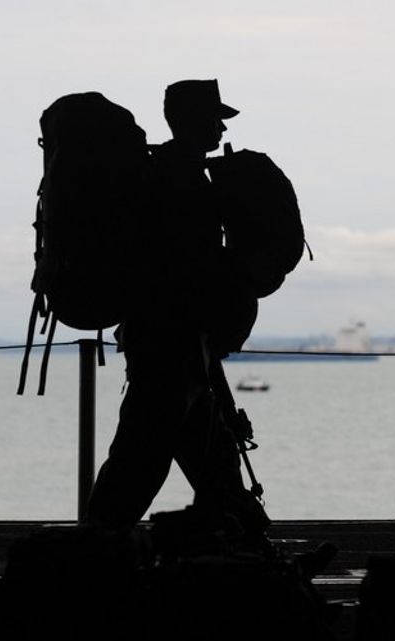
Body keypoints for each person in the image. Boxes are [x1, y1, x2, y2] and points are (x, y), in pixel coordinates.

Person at [87, 80, 270, 550]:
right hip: (172, 344)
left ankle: (254, 547)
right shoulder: (179, 180)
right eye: (215, 116)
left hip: (181, 345)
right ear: (189, 120)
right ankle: (91, 555)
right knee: (140, 462)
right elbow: (186, 269)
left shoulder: (175, 173)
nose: (222, 125)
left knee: (213, 462)